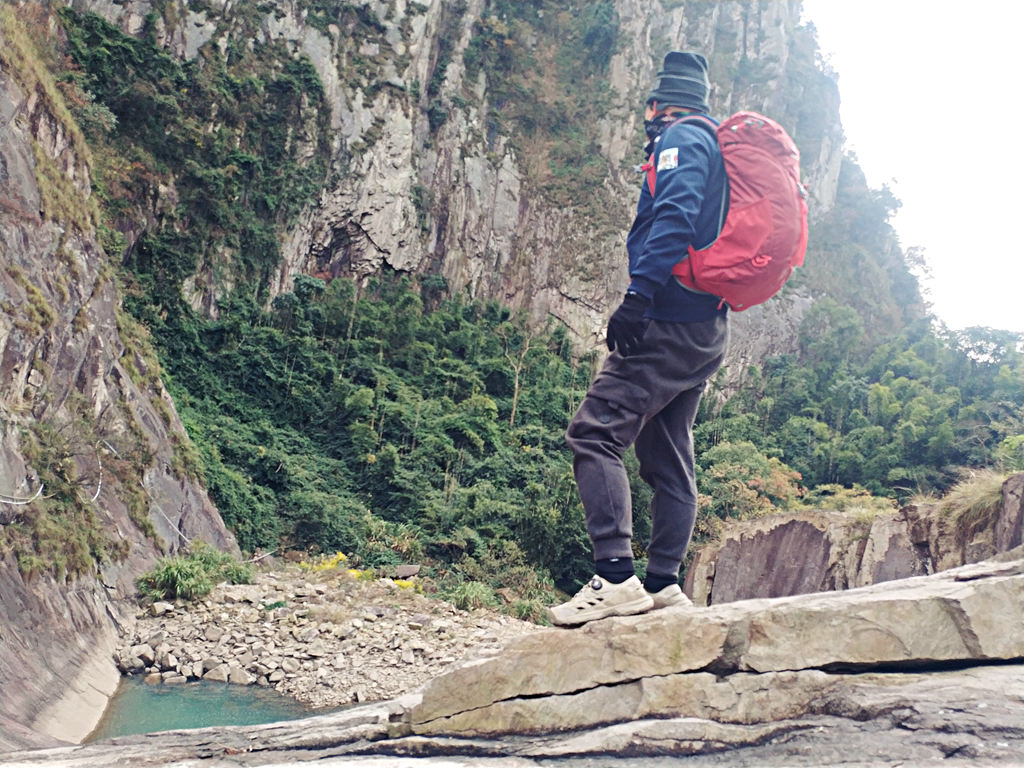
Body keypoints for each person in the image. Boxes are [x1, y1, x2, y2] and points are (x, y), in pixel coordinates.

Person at [548, 51, 730, 626]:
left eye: (649, 108)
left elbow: (675, 214)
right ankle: (663, 585)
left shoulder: (680, 139)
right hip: (705, 328)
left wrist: (638, 296)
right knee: (667, 452)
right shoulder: (715, 143)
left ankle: (616, 577)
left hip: (667, 322)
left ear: (658, 105)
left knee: (594, 433)